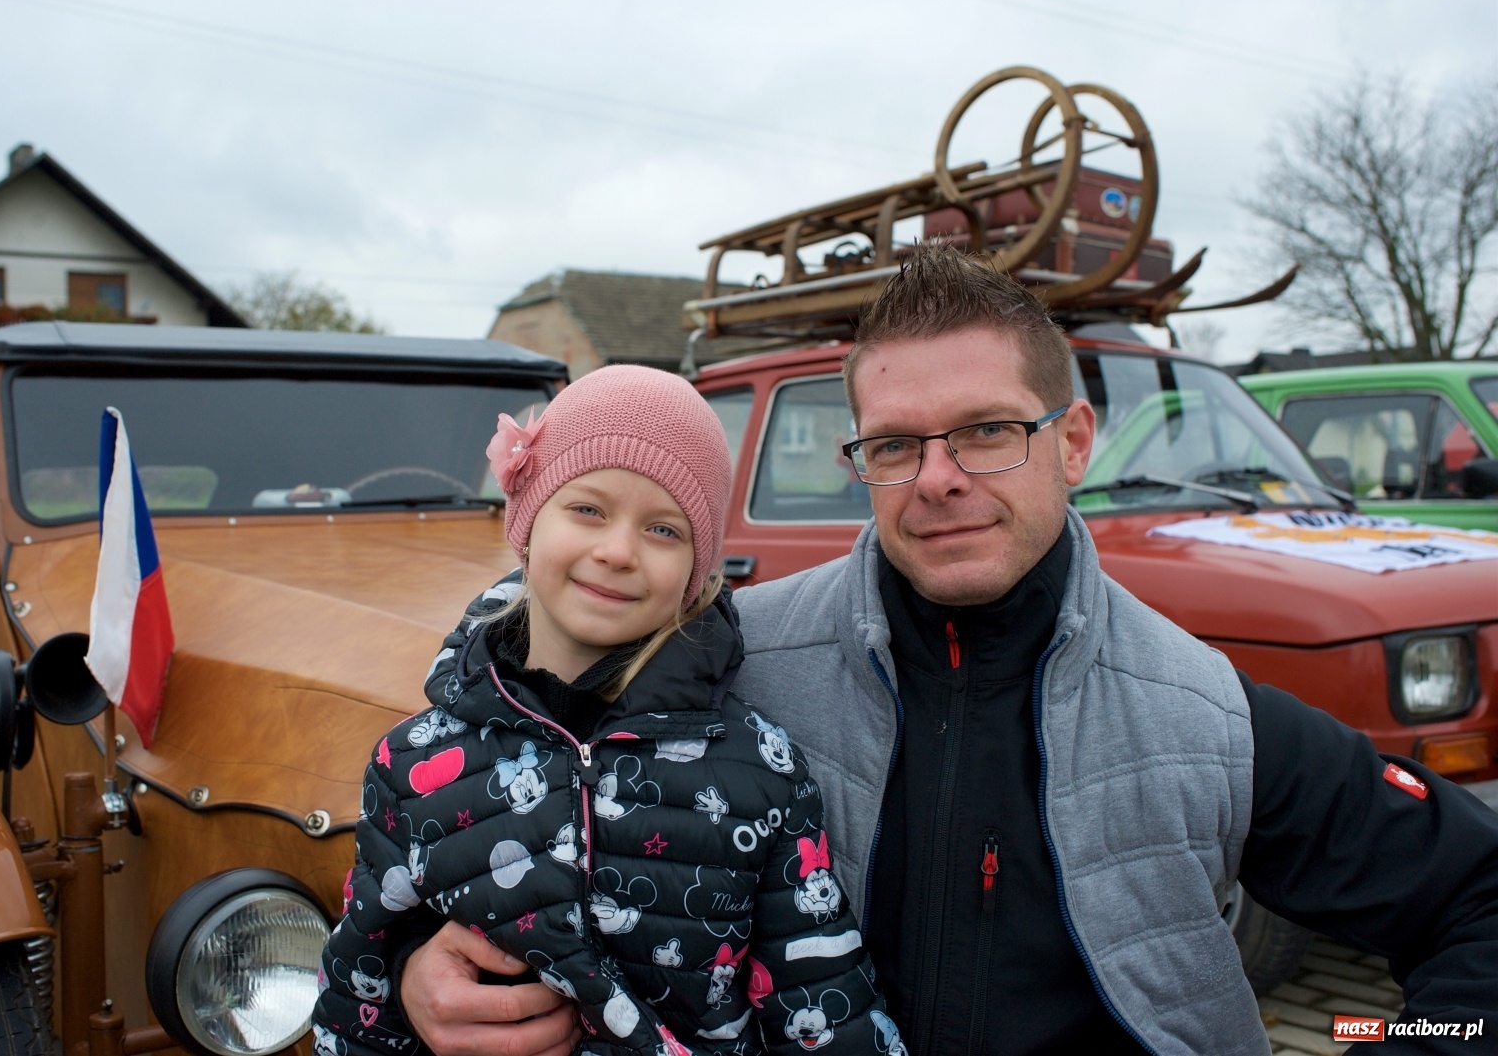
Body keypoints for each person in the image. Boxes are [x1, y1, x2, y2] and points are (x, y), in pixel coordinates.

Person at [395, 246, 1498, 1056]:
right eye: (894, 445)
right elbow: (501, 799)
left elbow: (1478, 901)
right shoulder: (720, 666)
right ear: (858, 462)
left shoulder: (1202, 712)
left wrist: (1392, 1043)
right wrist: (422, 973)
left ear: (1070, 442)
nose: (937, 477)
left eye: (984, 430)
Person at [314, 364, 905, 1056]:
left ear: (696, 574)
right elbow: (357, 1003)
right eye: (588, 509)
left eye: (663, 529)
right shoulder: (409, 764)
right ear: (527, 523)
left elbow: (825, 1003)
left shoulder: (763, 769)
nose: (618, 551)